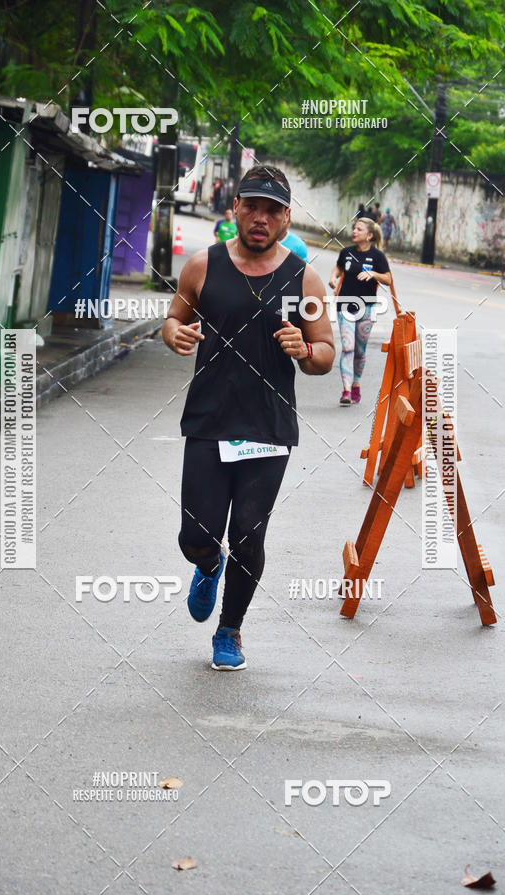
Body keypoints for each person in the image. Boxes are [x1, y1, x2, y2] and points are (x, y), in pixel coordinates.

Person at [163, 165, 335, 670]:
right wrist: (174, 333)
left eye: (272, 210)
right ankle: (206, 566)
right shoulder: (203, 266)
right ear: (235, 207)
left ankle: (230, 630)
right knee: (196, 536)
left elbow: (326, 353)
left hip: (268, 428)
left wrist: (305, 349)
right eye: (252, 206)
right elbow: (174, 318)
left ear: (286, 219)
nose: (261, 218)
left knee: (247, 535)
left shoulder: (304, 279)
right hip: (208, 421)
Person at [328, 217, 391, 406]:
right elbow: (338, 268)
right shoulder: (346, 252)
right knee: (348, 347)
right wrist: (333, 277)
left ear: (369, 235)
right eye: (354, 228)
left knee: (360, 350)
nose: (354, 231)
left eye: (359, 229)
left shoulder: (377, 256)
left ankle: (356, 384)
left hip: (367, 308)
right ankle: (347, 390)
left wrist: (374, 274)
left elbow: (388, 279)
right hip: (345, 306)